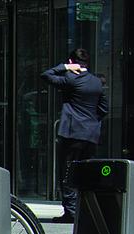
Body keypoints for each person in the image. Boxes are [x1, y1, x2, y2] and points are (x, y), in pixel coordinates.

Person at [42, 48, 107, 223]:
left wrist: (65, 67)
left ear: (72, 62)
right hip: (90, 135)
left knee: (68, 172)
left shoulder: (71, 78)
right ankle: (85, 210)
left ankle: (71, 212)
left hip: (72, 134)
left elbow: (46, 75)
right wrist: (91, 124)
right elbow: (103, 109)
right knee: (85, 172)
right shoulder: (96, 82)